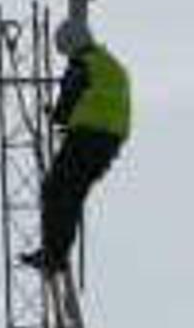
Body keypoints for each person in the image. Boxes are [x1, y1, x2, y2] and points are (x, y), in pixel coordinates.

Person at [21, 19, 132, 273]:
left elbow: (68, 101)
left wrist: (56, 117)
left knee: (54, 190)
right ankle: (57, 254)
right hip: (109, 142)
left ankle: (53, 255)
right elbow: (100, 100)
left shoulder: (82, 64)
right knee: (72, 194)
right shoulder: (111, 65)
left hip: (86, 136)